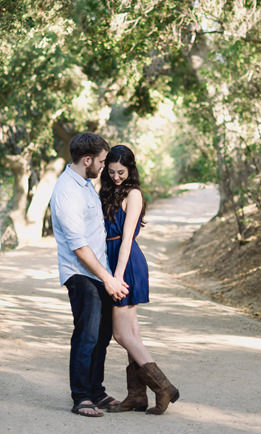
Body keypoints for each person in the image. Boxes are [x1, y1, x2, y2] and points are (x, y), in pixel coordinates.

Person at [50, 132, 129, 417]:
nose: (105, 166)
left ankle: (96, 390)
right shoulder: (66, 192)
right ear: (87, 160)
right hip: (80, 273)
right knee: (87, 334)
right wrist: (107, 279)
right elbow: (79, 246)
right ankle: (81, 396)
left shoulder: (85, 184)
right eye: (102, 161)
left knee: (103, 334)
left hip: (99, 272)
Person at [99, 145, 179, 415]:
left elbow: (126, 238)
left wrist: (118, 275)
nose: (115, 177)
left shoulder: (133, 194)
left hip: (126, 263)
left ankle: (163, 386)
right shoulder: (109, 192)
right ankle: (136, 396)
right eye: (110, 172)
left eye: (120, 172)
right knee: (131, 333)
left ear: (130, 169)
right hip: (114, 261)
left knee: (120, 334)